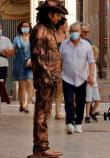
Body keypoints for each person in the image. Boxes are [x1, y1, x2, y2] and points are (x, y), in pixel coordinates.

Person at [29, 0, 68, 157]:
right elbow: (38, 57)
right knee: (41, 113)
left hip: (51, 79)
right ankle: (41, 147)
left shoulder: (48, 29)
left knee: (45, 113)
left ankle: (42, 146)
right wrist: (47, 77)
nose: (59, 18)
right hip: (45, 79)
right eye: (57, 15)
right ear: (50, 14)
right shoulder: (40, 31)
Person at [60, 22, 95, 134]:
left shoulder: (86, 45)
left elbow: (91, 61)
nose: (74, 33)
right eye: (72, 31)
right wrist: (58, 72)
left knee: (81, 102)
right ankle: (69, 123)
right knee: (69, 101)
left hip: (82, 78)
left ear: (80, 32)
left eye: (76, 31)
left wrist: (91, 74)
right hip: (67, 77)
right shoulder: (64, 44)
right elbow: (59, 60)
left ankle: (78, 124)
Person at [12, 21, 33, 114]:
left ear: (29, 27)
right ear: (20, 28)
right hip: (19, 63)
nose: (25, 27)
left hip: (30, 64)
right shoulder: (16, 39)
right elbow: (13, 50)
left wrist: (32, 59)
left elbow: (36, 50)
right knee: (21, 85)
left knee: (29, 82)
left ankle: (27, 106)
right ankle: (21, 103)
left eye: (27, 26)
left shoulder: (33, 38)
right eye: (23, 26)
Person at [54, 16, 68, 120]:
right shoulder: (52, 35)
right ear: (62, 25)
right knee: (52, 89)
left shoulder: (66, 36)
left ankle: (58, 113)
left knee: (60, 89)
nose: (67, 26)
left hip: (64, 65)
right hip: (53, 65)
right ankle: (51, 110)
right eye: (66, 24)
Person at [85, 45, 101, 123]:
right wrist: (88, 80)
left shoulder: (94, 64)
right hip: (89, 84)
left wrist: (95, 81)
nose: (96, 57)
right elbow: (85, 74)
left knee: (97, 99)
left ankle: (92, 112)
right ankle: (87, 116)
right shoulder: (87, 64)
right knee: (88, 100)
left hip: (94, 84)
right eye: (95, 55)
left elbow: (95, 74)